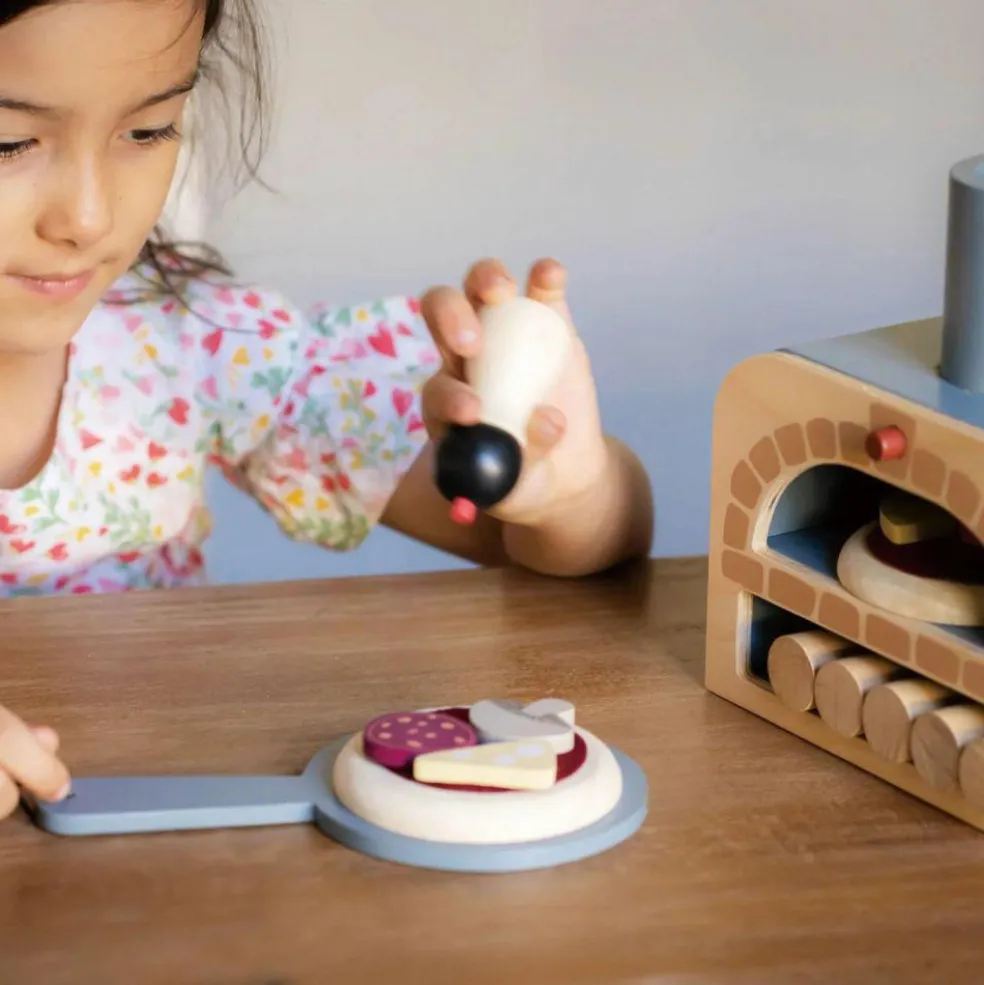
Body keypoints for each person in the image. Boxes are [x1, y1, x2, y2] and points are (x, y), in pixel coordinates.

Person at [0, 0, 654, 820]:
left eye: (148, 129)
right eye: (7, 142)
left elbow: (553, 546)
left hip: (144, 845)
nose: (89, 218)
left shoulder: (194, 341)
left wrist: (569, 488)